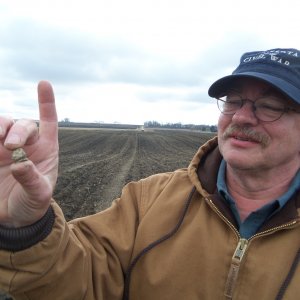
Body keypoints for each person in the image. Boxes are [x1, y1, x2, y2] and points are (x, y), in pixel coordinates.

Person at [0, 48, 299, 300]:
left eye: (269, 106)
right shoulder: (147, 201)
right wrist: (27, 225)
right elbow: (78, 279)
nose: (242, 116)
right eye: (233, 101)